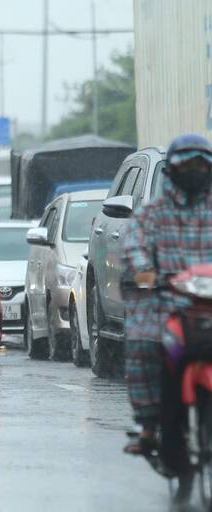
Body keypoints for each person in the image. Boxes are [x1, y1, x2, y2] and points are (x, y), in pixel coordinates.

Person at [122, 134, 212, 491]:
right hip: (164, 303)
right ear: (172, 171)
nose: (194, 171)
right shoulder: (151, 214)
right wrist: (144, 271)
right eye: (187, 164)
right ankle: (148, 426)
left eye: (201, 165)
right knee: (143, 346)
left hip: (209, 304)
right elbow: (135, 248)